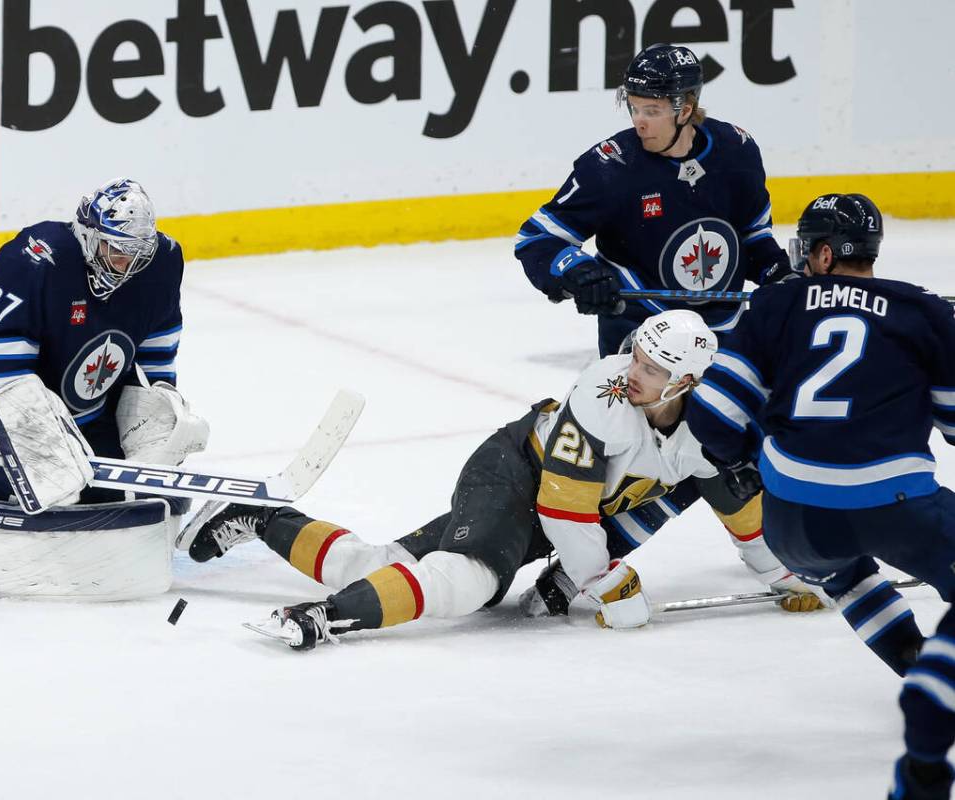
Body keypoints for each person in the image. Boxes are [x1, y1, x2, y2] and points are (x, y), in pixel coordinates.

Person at [185, 309, 819, 651]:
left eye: (653, 370)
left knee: (377, 565)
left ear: (685, 385)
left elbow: (736, 505)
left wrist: (785, 575)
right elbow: (565, 510)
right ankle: (318, 619)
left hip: (564, 512)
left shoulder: (709, 430)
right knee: (467, 582)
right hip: (515, 474)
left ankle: (263, 522)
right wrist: (599, 581)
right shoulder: (601, 393)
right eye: (636, 355)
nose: (633, 371)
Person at [683, 194, 955, 800]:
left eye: (807, 249)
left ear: (825, 254)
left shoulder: (775, 303)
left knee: (842, 572)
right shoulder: (921, 311)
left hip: (794, 522)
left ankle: (910, 659)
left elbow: (714, 417)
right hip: (899, 508)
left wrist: (751, 465)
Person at [0, 177, 208, 511]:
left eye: (137, 253)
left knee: (163, 499)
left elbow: (157, 356)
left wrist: (156, 421)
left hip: (86, 424)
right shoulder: (38, 258)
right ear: (88, 235)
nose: (127, 265)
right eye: (116, 250)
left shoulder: (161, 263)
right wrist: (45, 450)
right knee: (63, 495)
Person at [513, 43, 795, 359]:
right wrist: (577, 271)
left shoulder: (736, 151)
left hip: (723, 342)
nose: (639, 122)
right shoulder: (611, 167)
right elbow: (536, 239)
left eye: (652, 111)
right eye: (634, 108)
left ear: (685, 110)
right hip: (639, 348)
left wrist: (777, 272)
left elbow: (752, 236)